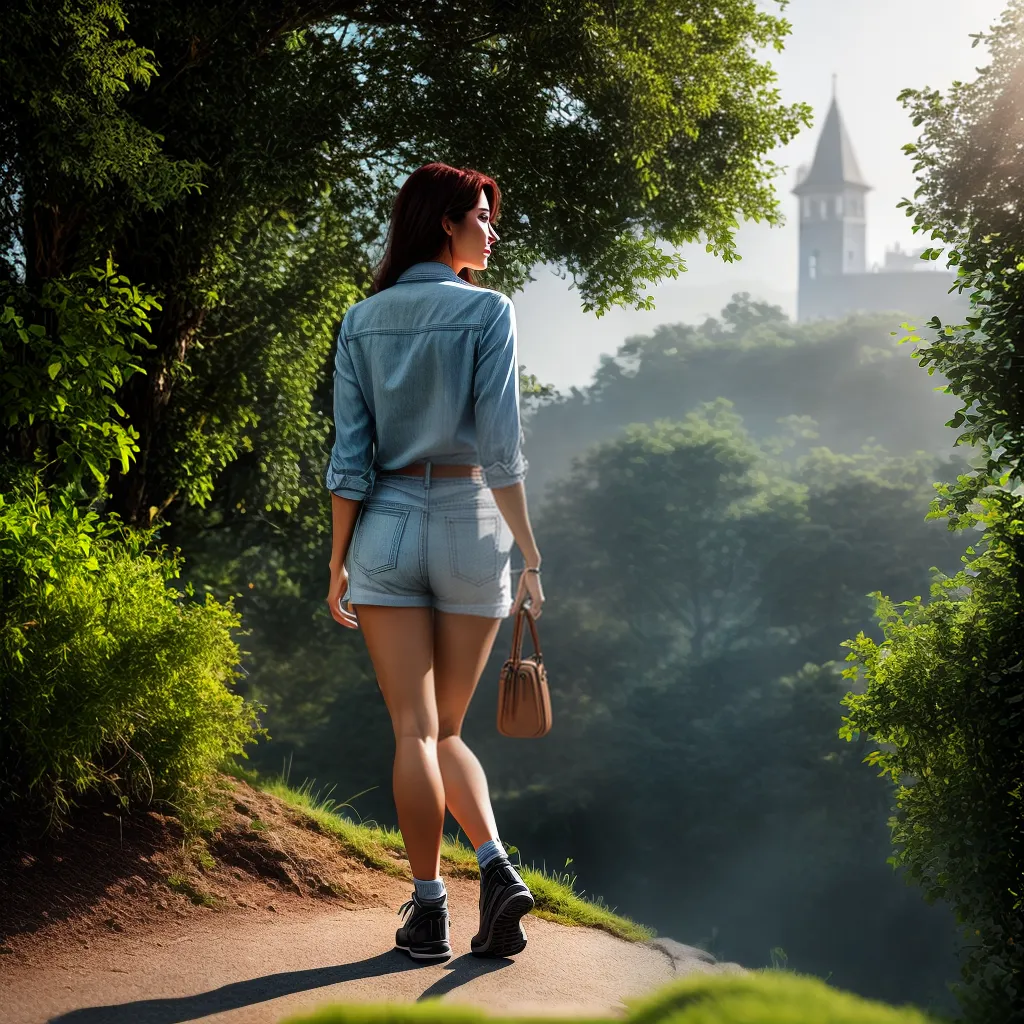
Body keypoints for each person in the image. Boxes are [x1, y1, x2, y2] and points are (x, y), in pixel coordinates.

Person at [324, 162, 546, 963]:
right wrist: (530, 554)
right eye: (482, 217)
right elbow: (501, 450)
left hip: (385, 525)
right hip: (470, 525)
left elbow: (349, 458)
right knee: (447, 729)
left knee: (414, 733)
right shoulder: (489, 311)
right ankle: (497, 867)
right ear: (445, 223)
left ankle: (430, 912)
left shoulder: (361, 320)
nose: (493, 231)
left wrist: (338, 560)